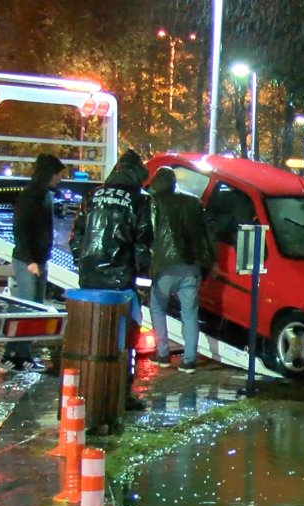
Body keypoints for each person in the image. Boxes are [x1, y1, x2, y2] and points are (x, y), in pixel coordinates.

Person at [69, 148, 153, 409]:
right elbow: (143, 244)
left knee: (90, 335)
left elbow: (76, 238)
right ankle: (122, 393)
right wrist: (141, 277)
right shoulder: (139, 200)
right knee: (125, 338)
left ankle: (84, 391)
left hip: (89, 279)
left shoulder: (91, 196)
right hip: (121, 280)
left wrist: (82, 261)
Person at [0, 154, 66, 373]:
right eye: (57, 175)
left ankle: (20, 354)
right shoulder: (30, 197)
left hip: (39, 259)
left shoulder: (44, 196)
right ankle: (14, 354)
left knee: (33, 308)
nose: (59, 179)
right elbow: (21, 230)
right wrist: (30, 260)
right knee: (28, 308)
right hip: (29, 261)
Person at [147, 166, 218, 373]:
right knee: (190, 314)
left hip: (163, 266)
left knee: (158, 308)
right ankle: (189, 360)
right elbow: (207, 233)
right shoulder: (192, 202)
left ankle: (162, 355)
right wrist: (211, 261)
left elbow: (148, 232)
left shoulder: (153, 203)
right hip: (190, 265)